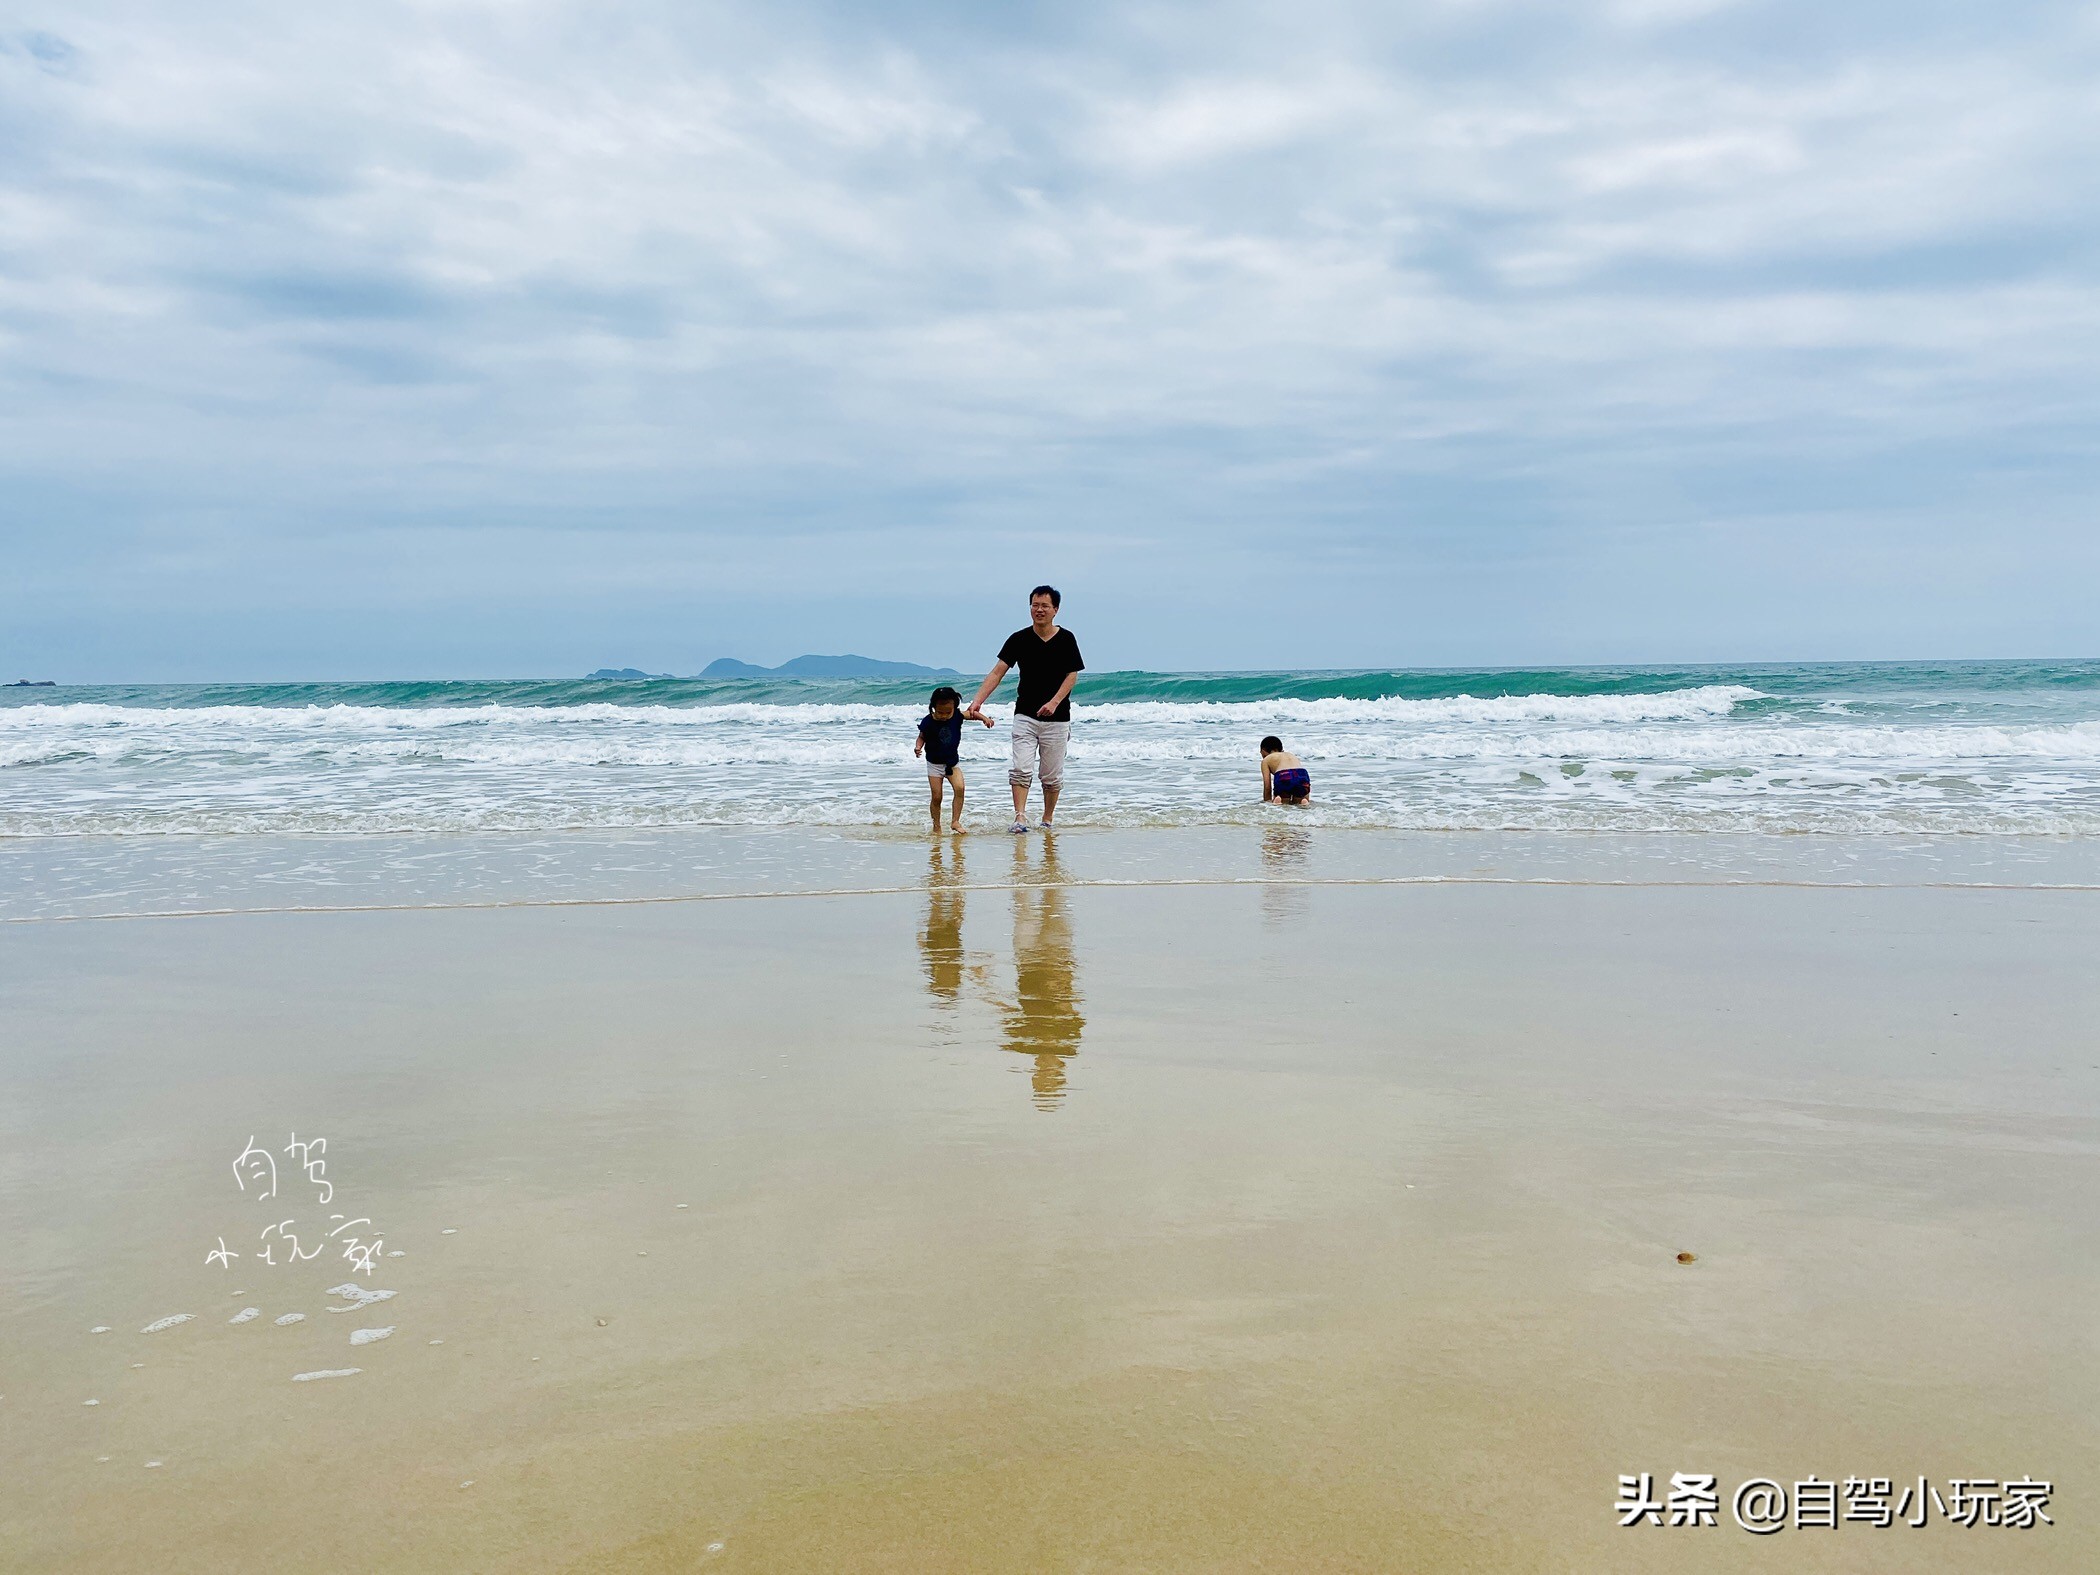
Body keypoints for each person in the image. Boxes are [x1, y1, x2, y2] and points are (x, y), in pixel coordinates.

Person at [965, 585, 1084, 833]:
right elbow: (998, 671)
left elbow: (1072, 675)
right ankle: (1020, 818)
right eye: (1034, 605)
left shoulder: (1066, 638)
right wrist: (978, 701)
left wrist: (1054, 702)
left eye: (1044, 606)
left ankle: (1047, 819)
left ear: (1055, 610)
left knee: (1051, 776)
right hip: (1025, 714)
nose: (1039, 610)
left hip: (1058, 718)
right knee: (1020, 768)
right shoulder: (1019, 639)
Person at [913, 685, 992, 831]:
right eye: (940, 712)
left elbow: (972, 714)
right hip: (934, 764)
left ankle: (955, 821)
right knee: (937, 797)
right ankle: (936, 826)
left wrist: (984, 718)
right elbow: (921, 737)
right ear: (933, 707)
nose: (943, 715)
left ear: (954, 708)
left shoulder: (956, 716)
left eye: (947, 712)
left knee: (960, 788)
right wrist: (918, 747)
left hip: (952, 763)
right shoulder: (928, 721)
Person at [1260, 735, 1311, 805]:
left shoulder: (1266, 759)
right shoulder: (1290, 755)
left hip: (1283, 775)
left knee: (1283, 805)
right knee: (1299, 801)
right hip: (1302, 774)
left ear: (1263, 751)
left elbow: (1267, 786)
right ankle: (1303, 802)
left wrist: (1267, 803)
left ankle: (1278, 802)